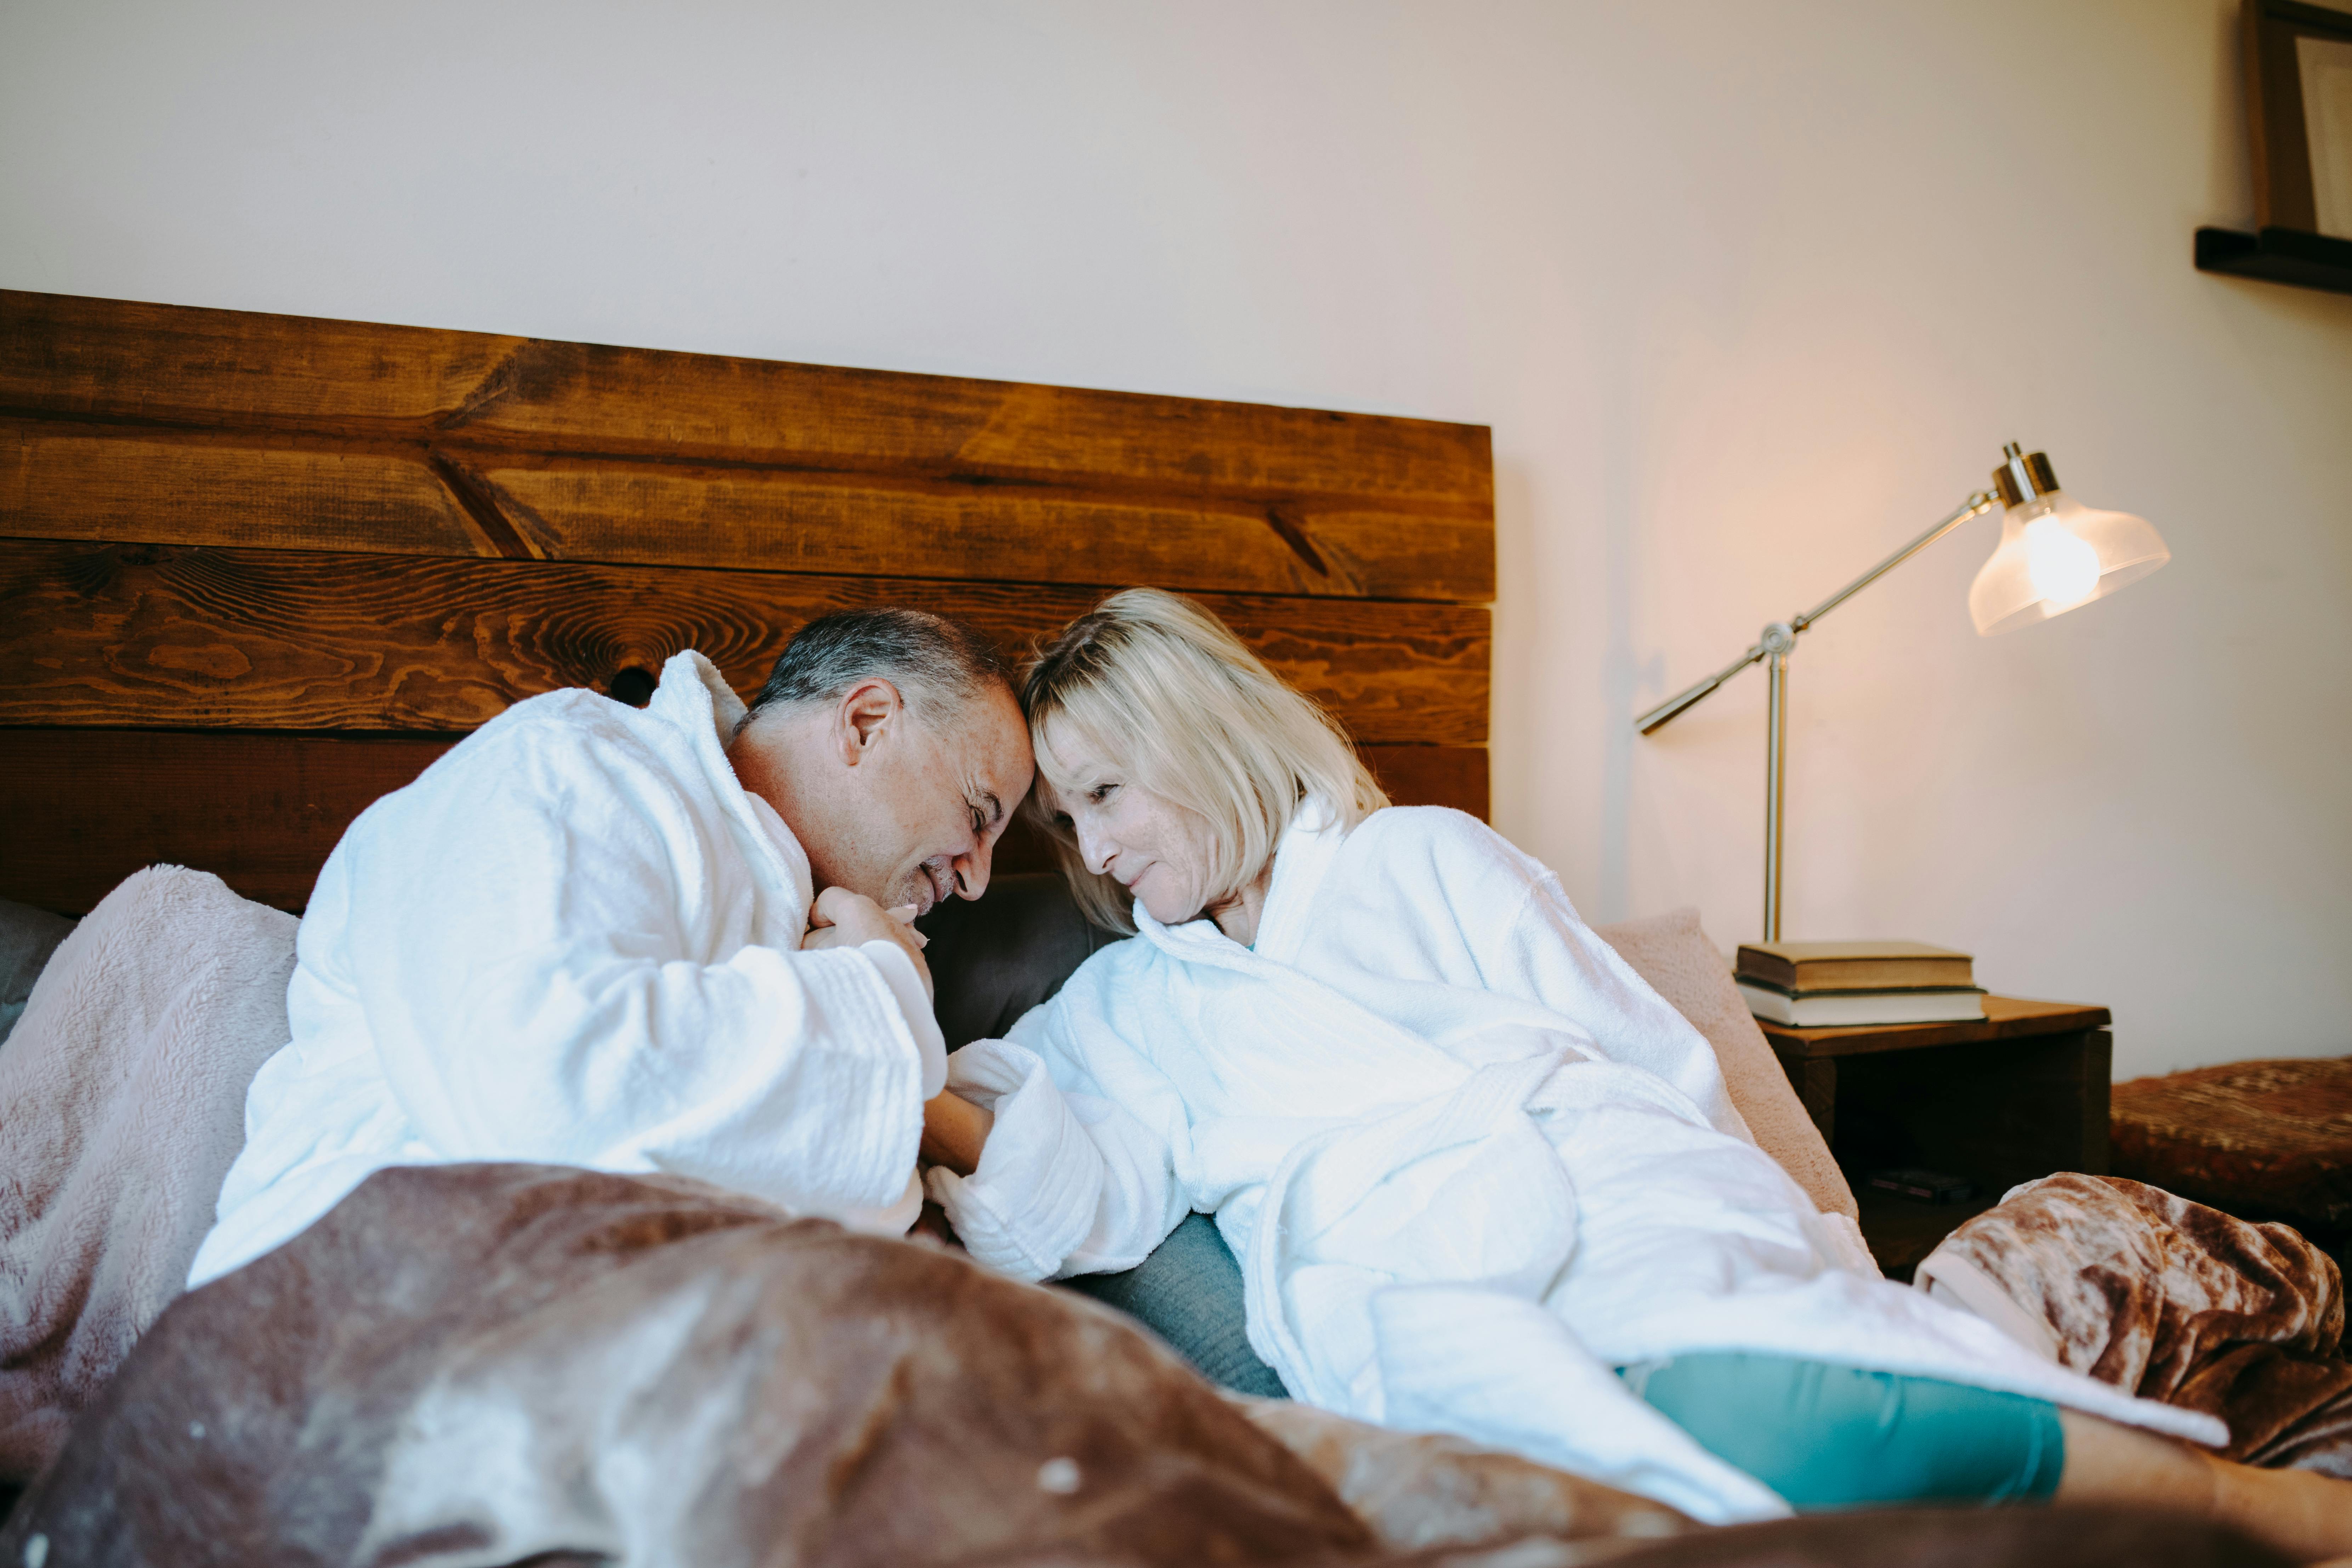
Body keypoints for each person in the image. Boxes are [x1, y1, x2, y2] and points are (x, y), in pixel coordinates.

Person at [923, 588, 2352, 1559]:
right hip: (1412, 1273)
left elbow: (1658, 1064)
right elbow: (1062, 1184)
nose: (1093, 854)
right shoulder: (1128, 1000)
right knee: (1702, 1446)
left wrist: (1810, 1242)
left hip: (1611, 1191)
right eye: (1062, 825)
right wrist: (884, 1033)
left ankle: (2259, 1518)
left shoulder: (1424, 856)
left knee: (1773, 1409)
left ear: (1200, 741)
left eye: (1103, 796)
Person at [188, 609, 1032, 1289]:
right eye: (979, 813)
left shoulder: (798, 912)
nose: (977, 880)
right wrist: (876, 990)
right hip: (362, 1289)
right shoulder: (571, 764)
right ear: (868, 723)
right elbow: (549, 1081)